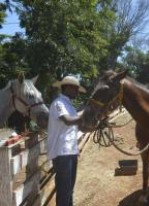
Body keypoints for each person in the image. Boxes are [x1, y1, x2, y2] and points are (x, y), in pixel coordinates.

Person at [47, 76, 86, 206]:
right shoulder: (58, 103)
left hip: (70, 151)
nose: (77, 92)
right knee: (64, 190)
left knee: (69, 189)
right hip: (62, 152)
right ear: (67, 88)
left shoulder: (69, 105)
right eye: (75, 89)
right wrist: (86, 114)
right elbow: (68, 121)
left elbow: (76, 124)